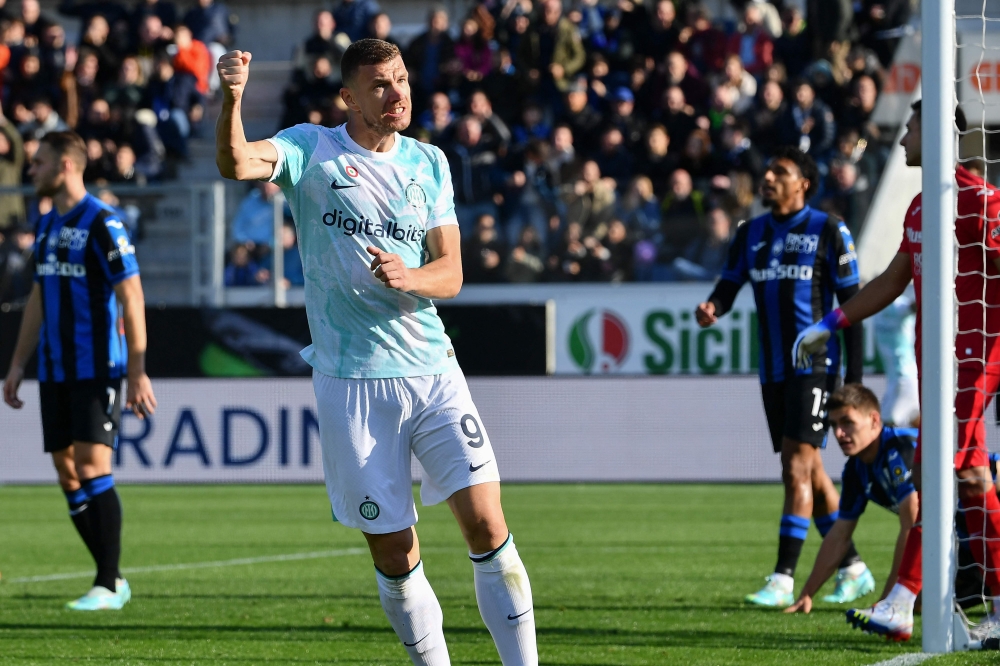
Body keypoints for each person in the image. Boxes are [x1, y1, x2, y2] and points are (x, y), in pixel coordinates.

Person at [215, 39, 538, 665]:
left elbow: (451, 274)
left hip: (433, 371)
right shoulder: (311, 150)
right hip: (352, 380)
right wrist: (232, 99)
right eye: (381, 85)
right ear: (349, 97)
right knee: (395, 553)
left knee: (488, 527)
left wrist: (409, 277)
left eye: (402, 80)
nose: (397, 93)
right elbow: (234, 163)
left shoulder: (430, 163)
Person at [794, 101, 1000, 641]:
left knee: (934, 472)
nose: (903, 137)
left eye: (910, 127)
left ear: (932, 132)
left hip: (974, 360)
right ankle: (999, 606)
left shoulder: (981, 201)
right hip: (941, 364)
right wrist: (829, 323)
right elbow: (890, 284)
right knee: (975, 480)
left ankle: (903, 599)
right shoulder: (919, 207)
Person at [694, 146, 873, 608]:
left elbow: (853, 308)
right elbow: (730, 283)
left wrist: (853, 381)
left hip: (814, 366)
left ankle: (783, 578)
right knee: (807, 468)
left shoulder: (829, 230)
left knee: (796, 465)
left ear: (803, 184)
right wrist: (714, 306)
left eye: (781, 172)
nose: (769, 177)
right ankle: (852, 567)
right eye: (768, 170)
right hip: (772, 368)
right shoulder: (750, 232)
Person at [2, 130, 157, 610]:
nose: (32, 171)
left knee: (92, 466)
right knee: (67, 472)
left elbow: (132, 297)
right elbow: (37, 300)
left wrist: (137, 369)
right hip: (54, 368)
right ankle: (112, 578)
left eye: (39, 163)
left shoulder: (103, 223)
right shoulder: (47, 225)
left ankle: (108, 584)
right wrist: (17, 365)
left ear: (66, 166)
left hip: (96, 366)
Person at [784, 384, 919, 622]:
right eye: (834, 425)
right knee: (922, 603)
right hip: (962, 537)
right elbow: (839, 536)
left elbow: (912, 525)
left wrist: (890, 600)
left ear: (874, 421)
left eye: (847, 422)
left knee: (919, 599)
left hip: (986, 509)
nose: (838, 433)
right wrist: (807, 594)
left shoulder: (902, 447)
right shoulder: (856, 470)